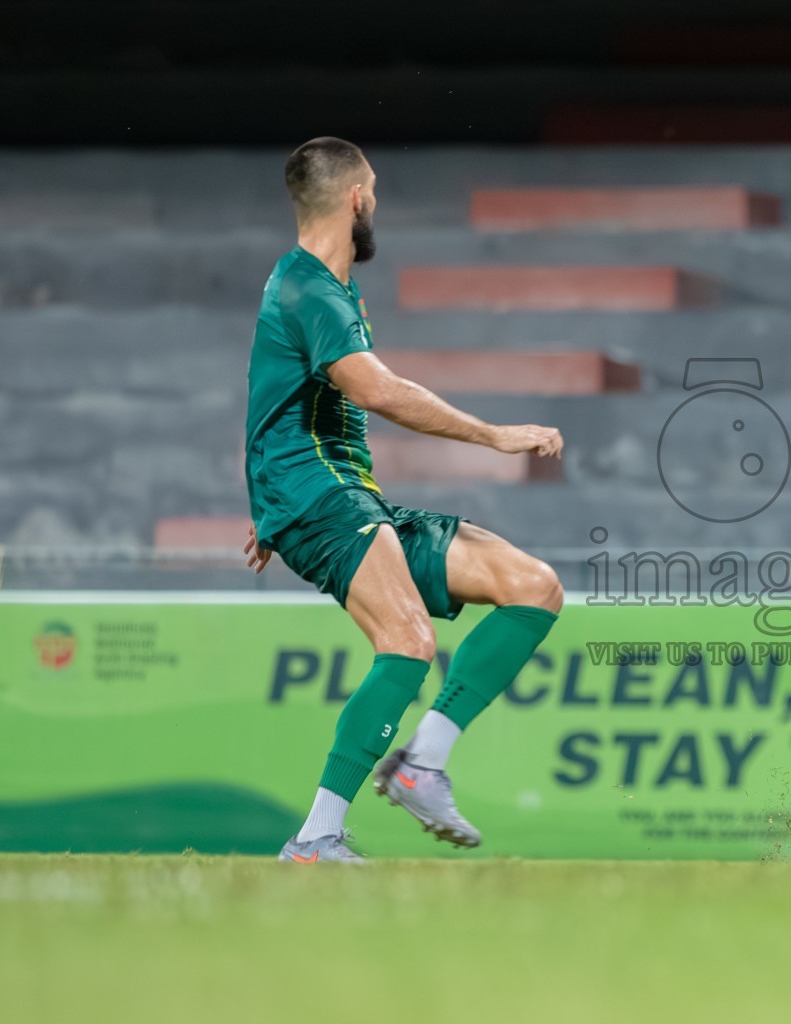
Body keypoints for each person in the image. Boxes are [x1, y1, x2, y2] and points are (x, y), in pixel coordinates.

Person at [243, 137, 565, 863]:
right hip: (321, 496)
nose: (376, 203)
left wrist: (267, 504)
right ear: (356, 199)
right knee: (410, 642)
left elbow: (270, 392)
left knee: (532, 586)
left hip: (332, 498)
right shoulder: (309, 289)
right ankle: (315, 837)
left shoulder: (314, 287)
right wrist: (494, 435)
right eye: (376, 191)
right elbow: (379, 392)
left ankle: (421, 765)